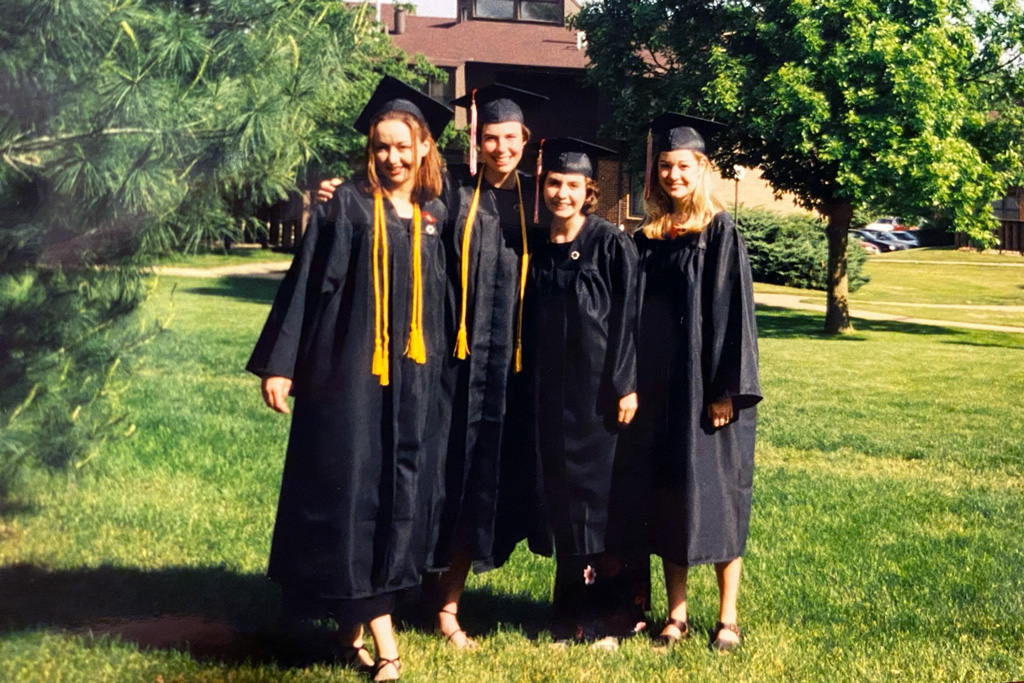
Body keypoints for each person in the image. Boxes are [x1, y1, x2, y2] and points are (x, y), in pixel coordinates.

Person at [319, 83, 547, 650]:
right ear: (476, 141)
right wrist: (340, 192)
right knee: (426, 481)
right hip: (445, 370)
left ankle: (447, 604)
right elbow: (389, 224)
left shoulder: (539, 205)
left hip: (505, 376)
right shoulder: (449, 201)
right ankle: (392, 593)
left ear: (526, 142)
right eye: (490, 138)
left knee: (477, 486)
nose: (500, 148)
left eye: (509, 139)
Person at [246, 76, 453, 681]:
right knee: (356, 496)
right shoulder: (345, 208)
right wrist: (281, 365)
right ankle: (387, 648)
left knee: (396, 499)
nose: (391, 156)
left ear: (423, 149)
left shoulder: (433, 214)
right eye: (381, 146)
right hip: (349, 380)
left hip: (412, 385)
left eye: (402, 146)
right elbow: (307, 285)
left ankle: (347, 636)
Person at [630, 114, 762, 652]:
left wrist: (726, 390)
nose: (671, 175)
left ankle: (727, 618)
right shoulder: (650, 238)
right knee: (670, 501)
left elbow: (735, 315)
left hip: (709, 393)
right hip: (662, 393)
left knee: (721, 498)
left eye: (682, 166)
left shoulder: (721, 231)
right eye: (664, 166)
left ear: (701, 168)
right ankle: (676, 615)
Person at [523, 138, 646, 648]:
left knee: (598, 502)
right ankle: (568, 613)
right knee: (565, 502)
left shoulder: (611, 243)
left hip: (599, 395)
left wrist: (625, 385)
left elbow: (628, 320)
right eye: (554, 183)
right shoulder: (534, 243)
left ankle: (609, 618)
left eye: (573, 185)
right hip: (550, 396)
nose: (561, 193)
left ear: (589, 190)